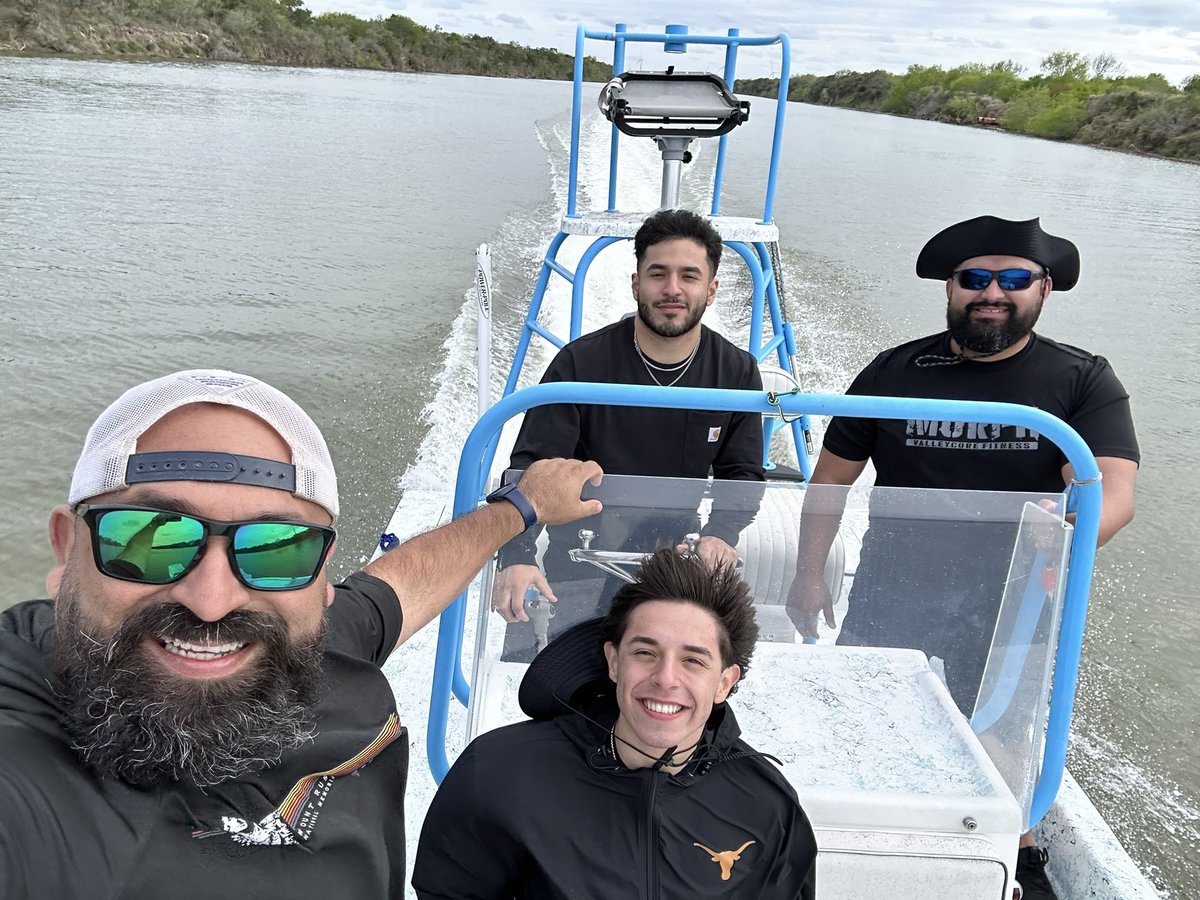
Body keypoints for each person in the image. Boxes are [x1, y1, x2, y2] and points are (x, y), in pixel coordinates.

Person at [0, 369, 602, 898]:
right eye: (148, 540)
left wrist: (520, 508)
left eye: (274, 547)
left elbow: (397, 588)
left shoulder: (296, 643)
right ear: (66, 547)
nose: (213, 602)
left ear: (319, 577)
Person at [786, 215, 1140, 900]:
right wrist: (806, 575)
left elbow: (1114, 491)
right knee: (867, 730)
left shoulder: (1083, 381)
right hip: (892, 588)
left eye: (1013, 281)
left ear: (1043, 289)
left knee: (1003, 744)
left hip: (1016, 601)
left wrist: (1072, 524)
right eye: (975, 280)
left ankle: (1014, 861)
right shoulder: (893, 371)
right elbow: (830, 480)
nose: (992, 294)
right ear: (951, 288)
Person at [413, 549, 817, 899]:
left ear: (724, 683)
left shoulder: (767, 806)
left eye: (693, 660)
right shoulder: (501, 774)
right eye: (645, 652)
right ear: (613, 661)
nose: (666, 678)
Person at [492, 208, 765, 656]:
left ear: (711, 290)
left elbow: (743, 471)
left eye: (689, 276)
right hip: (577, 557)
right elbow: (531, 470)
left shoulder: (735, 372)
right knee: (543, 684)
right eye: (658, 274)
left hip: (675, 562)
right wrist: (518, 556)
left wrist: (721, 534)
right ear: (636, 283)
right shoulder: (579, 366)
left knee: (677, 682)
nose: (672, 289)